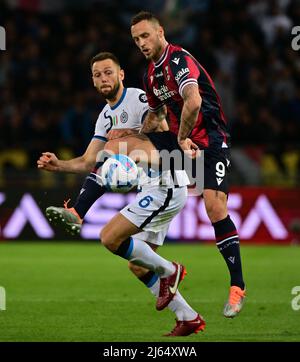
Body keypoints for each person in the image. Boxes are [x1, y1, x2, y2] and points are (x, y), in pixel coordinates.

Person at [38, 52, 205, 336]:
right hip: (152, 187)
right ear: (92, 81)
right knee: (138, 265)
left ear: (121, 74)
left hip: (166, 181)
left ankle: (169, 269)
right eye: (97, 74)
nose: (104, 78)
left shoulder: (139, 99)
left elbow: (164, 134)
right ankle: (188, 317)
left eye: (108, 72)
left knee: (109, 237)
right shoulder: (105, 117)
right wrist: (60, 166)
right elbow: (90, 161)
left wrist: (131, 141)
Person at [130, 11, 246, 318]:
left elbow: (193, 102)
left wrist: (181, 138)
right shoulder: (149, 76)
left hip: (209, 140)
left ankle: (237, 287)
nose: (141, 43)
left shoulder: (178, 60)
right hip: (181, 141)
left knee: (214, 207)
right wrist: (133, 135)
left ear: (160, 32)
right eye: (136, 39)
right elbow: (155, 118)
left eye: (145, 36)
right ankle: (83, 207)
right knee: (123, 146)